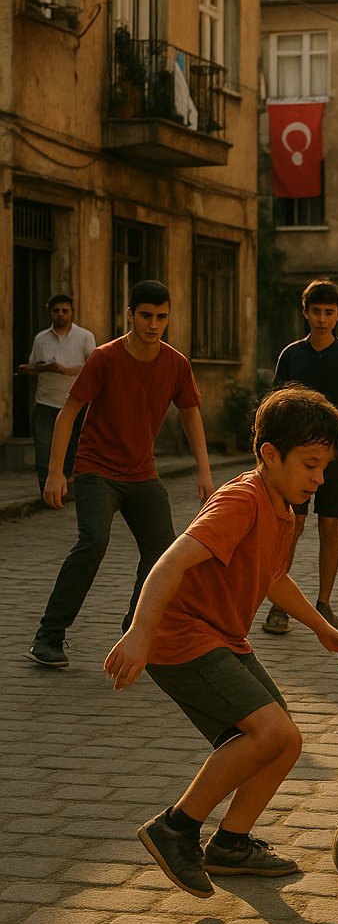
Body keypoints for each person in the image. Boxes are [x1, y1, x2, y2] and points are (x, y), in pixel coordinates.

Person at [103, 385, 338, 899]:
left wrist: (323, 628)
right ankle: (176, 829)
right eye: (310, 464)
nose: (319, 477)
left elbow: (272, 578)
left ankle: (231, 843)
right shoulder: (241, 500)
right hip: (180, 637)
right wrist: (138, 633)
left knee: (285, 740)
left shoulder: (284, 509)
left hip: (222, 638)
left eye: (325, 467)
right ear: (269, 455)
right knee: (267, 732)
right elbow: (170, 562)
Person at [24, 280, 215, 669]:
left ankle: (135, 629)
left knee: (163, 551)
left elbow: (191, 413)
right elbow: (69, 412)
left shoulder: (176, 363)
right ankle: (49, 634)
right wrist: (56, 473)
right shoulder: (105, 357)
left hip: (142, 473)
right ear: (130, 314)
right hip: (96, 469)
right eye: (146, 315)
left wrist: (205, 472)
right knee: (93, 541)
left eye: (161, 317)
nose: (154, 324)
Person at [262, 279, 338, 635]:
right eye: (316, 312)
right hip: (295, 455)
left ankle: (324, 602)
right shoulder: (292, 355)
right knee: (291, 524)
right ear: (305, 312)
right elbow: (275, 405)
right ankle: (279, 604)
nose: (322, 318)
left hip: (336, 455)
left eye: (329, 312)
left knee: (330, 524)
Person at [18, 294, 96, 494]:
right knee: (44, 448)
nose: (60, 315)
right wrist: (34, 368)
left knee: (72, 448)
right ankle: (46, 490)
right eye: (56, 311)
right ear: (49, 312)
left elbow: (93, 369)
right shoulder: (41, 339)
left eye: (64, 310)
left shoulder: (85, 337)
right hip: (45, 401)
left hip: (74, 402)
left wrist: (65, 370)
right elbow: (33, 366)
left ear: (71, 312)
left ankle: (65, 486)